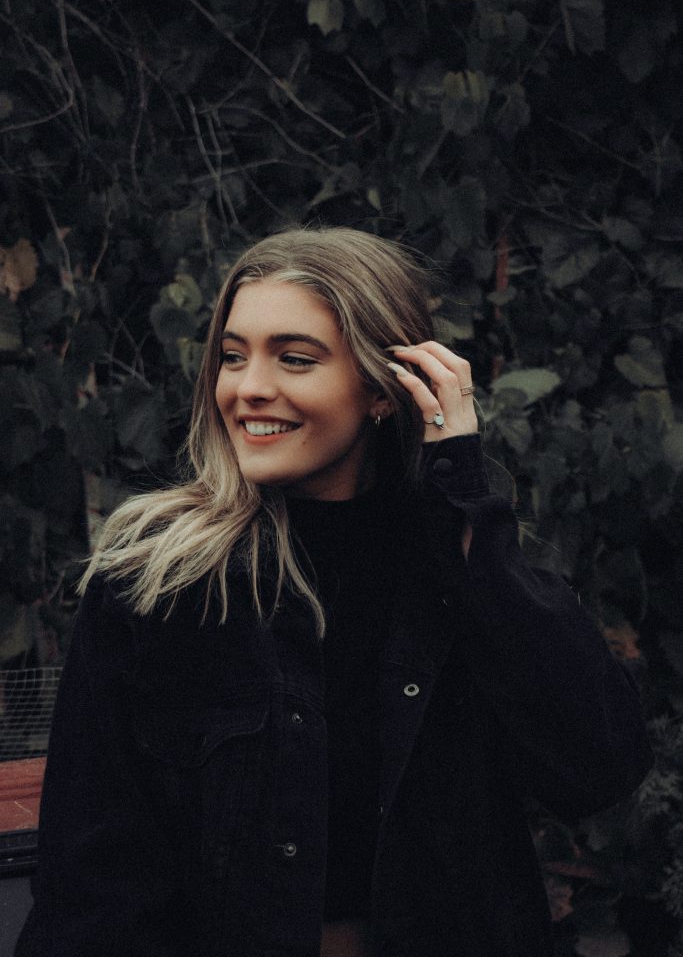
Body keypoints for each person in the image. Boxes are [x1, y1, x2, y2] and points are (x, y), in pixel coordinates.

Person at [16, 227, 653, 957]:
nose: (248, 387)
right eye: (232, 356)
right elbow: (91, 886)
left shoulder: (458, 573)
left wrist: (468, 515)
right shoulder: (157, 586)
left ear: (385, 391)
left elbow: (597, 768)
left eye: (295, 358)